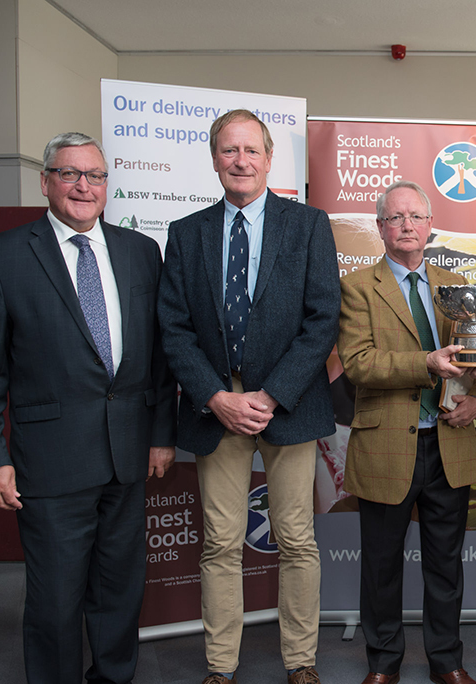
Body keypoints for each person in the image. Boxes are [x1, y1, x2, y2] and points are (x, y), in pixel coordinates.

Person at [0, 132, 177, 684]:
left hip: (127, 457)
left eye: (96, 176)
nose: (84, 186)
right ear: (46, 181)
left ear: (108, 185)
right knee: (55, 600)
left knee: (119, 591)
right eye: (70, 174)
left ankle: (112, 677)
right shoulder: (4, 255)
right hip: (51, 463)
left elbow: (157, 359)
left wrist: (160, 433)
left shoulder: (139, 251)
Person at [158, 109, 340, 684]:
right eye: (229, 151)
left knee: (296, 538)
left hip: (287, 405)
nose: (240, 161)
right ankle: (220, 666)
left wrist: (273, 394)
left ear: (268, 158)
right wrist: (216, 396)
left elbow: (323, 319)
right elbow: (174, 327)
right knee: (221, 542)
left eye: (251, 151)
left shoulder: (308, 224)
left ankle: (300, 661)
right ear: (214, 159)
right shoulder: (186, 233)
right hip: (218, 410)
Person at [337, 180, 476, 684]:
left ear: (430, 226)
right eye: (395, 218)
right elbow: (359, 364)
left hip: (448, 442)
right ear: (381, 227)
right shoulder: (359, 287)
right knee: (381, 567)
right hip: (386, 444)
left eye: (416, 217)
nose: (406, 225)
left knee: (445, 566)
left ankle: (447, 663)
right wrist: (425, 361)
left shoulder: (458, 285)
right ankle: (383, 666)